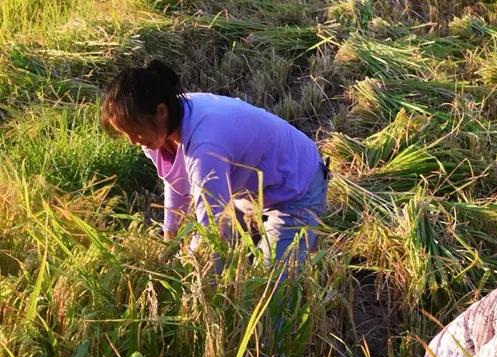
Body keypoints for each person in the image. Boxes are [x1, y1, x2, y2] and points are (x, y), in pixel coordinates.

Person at [101, 60, 328, 272]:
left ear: (160, 112)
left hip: (297, 187)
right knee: (229, 264)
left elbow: (215, 230)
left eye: (134, 131)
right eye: (126, 133)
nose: (133, 140)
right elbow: (177, 185)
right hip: (248, 193)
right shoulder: (158, 131)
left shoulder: (206, 145)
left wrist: (196, 280)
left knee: (269, 288)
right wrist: (169, 243)